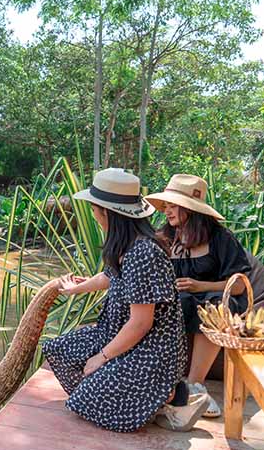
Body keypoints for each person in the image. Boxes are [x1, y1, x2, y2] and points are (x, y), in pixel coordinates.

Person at [42, 167, 209, 433]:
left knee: (84, 400)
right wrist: (77, 288)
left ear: (107, 212)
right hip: (117, 335)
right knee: (58, 349)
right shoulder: (125, 244)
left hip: (150, 352)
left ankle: (167, 396)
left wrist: (102, 357)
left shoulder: (143, 253)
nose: (94, 215)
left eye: (95, 209)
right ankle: (145, 400)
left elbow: (141, 323)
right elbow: (109, 275)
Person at [146, 174, 252, 419]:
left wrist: (199, 285)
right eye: (166, 206)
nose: (167, 211)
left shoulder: (220, 238)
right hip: (179, 301)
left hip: (214, 300)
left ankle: (195, 386)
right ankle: (163, 383)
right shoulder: (164, 236)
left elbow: (238, 286)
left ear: (190, 210)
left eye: (173, 206)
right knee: (177, 302)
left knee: (211, 307)